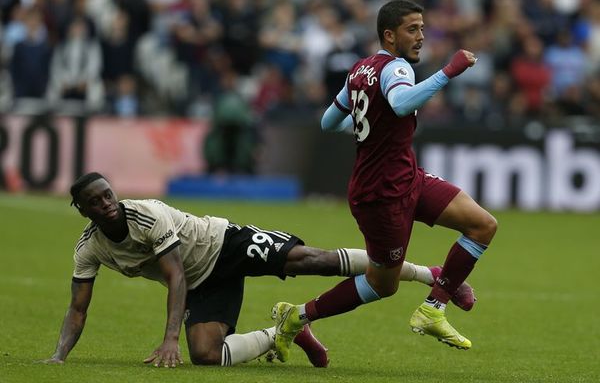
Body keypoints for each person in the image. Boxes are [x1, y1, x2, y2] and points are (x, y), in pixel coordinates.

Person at [43, 172, 475, 368]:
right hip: (202, 280)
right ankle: (285, 332)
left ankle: (427, 275)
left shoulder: (147, 215)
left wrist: (169, 337)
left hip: (224, 242)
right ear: (82, 210)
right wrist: (59, 358)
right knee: (207, 356)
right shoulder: (89, 249)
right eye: (96, 202)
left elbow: (173, 273)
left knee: (316, 262)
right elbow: (77, 308)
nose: (107, 203)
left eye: (108, 195)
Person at [271, 0, 498, 362]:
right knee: (382, 284)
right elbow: (400, 104)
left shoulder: (360, 69)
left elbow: (328, 123)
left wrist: (364, 126)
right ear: (389, 35)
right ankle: (296, 317)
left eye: (423, 28)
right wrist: (448, 72)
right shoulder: (398, 69)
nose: (421, 36)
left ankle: (433, 308)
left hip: (407, 176)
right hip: (380, 193)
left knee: (482, 225)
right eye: (413, 29)